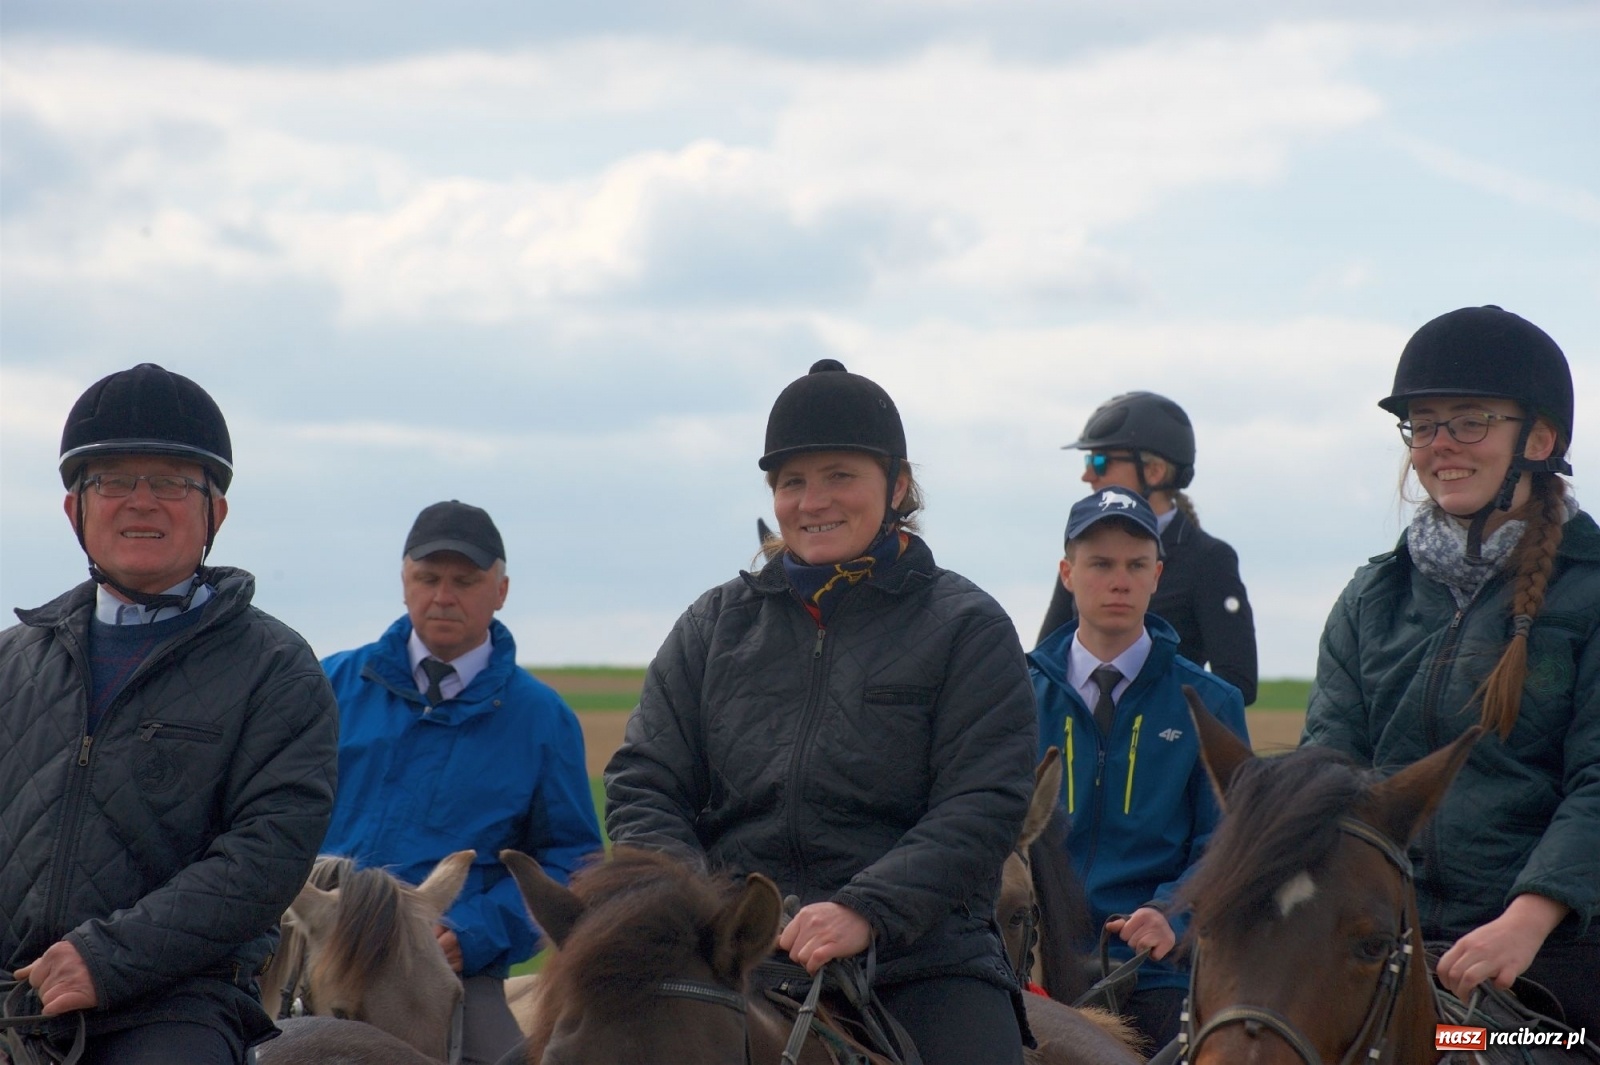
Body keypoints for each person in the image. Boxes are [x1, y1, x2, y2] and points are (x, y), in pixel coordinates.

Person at [605, 359, 1038, 1065]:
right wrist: (699, 907)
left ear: (896, 485)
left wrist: (866, 908)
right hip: (730, 949)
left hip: (921, 957)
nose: (813, 501)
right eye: (792, 482)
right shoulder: (713, 625)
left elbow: (983, 802)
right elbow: (643, 781)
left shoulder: (968, 627)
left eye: (840, 475)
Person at [0, 364, 340, 1064]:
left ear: (215, 510)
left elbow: (264, 855)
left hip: (173, 1003)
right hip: (12, 990)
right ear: (76, 510)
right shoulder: (11, 662)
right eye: (115, 481)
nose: (142, 502)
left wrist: (107, 957)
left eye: (172, 483)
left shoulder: (276, 668)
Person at [1303, 305, 1599, 1030]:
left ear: (1539, 437)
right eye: (1424, 424)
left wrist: (1528, 918)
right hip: (1382, 935)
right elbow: (1328, 772)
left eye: (1469, 421)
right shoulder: (1369, 600)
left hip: (1555, 943)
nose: (1441, 445)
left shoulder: (1590, 594)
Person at [319, 500, 603, 1065]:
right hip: (311, 948)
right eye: (428, 578)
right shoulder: (327, 686)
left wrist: (472, 933)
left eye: (464, 581)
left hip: (451, 972)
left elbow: (570, 862)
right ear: (404, 581)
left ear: (500, 590)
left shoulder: (542, 719)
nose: (443, 596)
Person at [1030, 486, 1249, 1049]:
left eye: (1136, 564)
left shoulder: (1210, 704)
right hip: (1028, 966)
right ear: (1067, 573)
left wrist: (1169, 916)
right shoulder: (1014, 693)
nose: (1119, 580)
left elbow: (1224, 844)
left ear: (1158, 574)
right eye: (1100, 563)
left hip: (1156, 970)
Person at [1037, 391, 1258, 705]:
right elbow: (1047, 661)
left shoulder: (1209, 559)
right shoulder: (1082, 549)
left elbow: (1237, 683)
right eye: (1102, 564)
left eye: (1100, 461)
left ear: (1154, 472)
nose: (1087, 475)